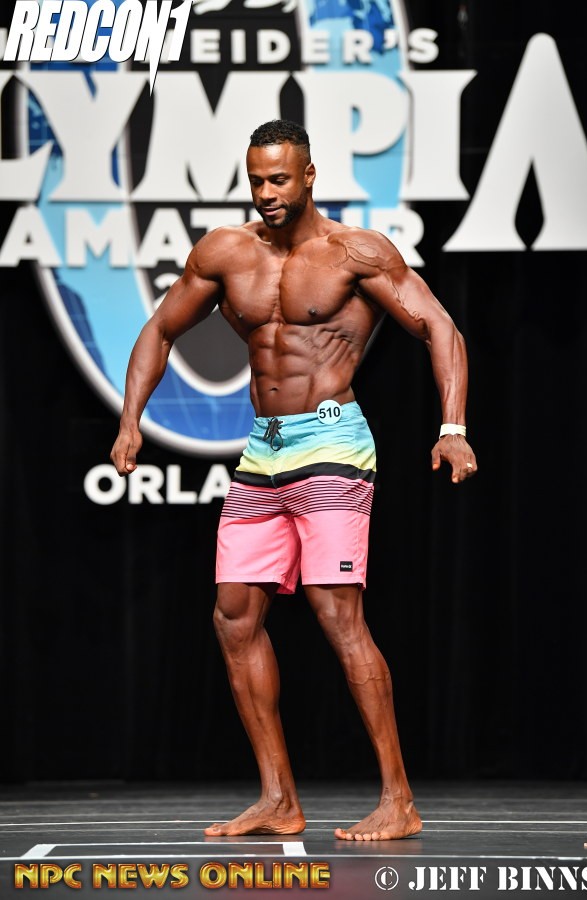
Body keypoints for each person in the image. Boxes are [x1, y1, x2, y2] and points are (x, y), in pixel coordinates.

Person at [111, 119, 477, 842]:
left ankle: (398, 798)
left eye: (279, 178)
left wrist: (453, 426)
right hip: (264, 449)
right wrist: (130, 422)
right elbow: (160, 329)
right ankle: (279, 798)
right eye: (256, 180)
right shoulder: (225, 252)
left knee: (338, 616)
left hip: (333, 440)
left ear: (309, 175)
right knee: (233, 616)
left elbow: (440, 327)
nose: (267, 192)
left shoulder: (355, 253)